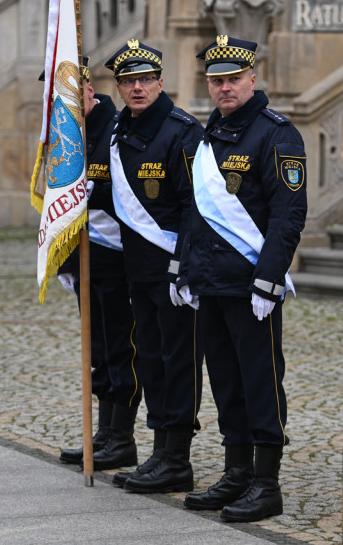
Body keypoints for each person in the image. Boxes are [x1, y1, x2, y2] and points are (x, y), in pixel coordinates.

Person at [178, 36, 307, 523]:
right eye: (217, 80)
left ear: (253, 78)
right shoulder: (211, 134)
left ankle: (266, 482)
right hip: (211, 283)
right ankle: (236, 472)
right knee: (226, 382)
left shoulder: (277, 134)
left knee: (261, 382)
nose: (225, 87)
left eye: (233, 78)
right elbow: (196, 210)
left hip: (251, 286)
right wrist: (186, 269)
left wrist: (269, 280)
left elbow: (288, 214)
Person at [105, 39, 204, 494]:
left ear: (161, 82)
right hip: (138, 269)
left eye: (145, 79)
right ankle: (158, 452)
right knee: (150, 359)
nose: (138, 88)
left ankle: (176, 458)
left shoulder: (182, 131)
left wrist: (181, 267)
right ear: (120, 88)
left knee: (177, 360)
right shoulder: (119, 129)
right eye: (129, 81)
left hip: (172, 272)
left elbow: (195, 207)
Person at [54, 59, 141, 471]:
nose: (64, 103)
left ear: (90, 91)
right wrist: (66, 264)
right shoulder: (69, 133)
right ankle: (103, 434)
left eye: (72, 93)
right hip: (88, 257)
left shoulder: (115, 128)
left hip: (119, 257)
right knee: (99, 350)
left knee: (120, 350)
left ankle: (121, 438)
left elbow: (122, 196)